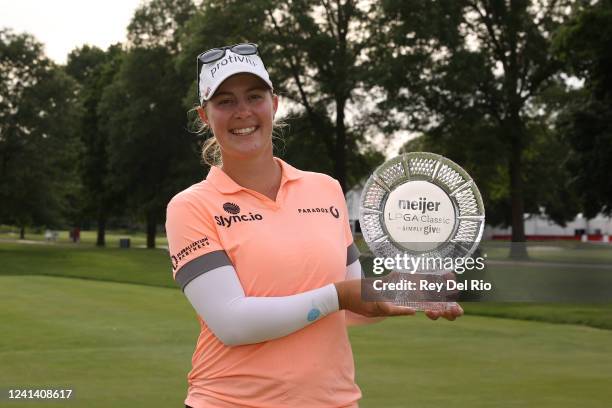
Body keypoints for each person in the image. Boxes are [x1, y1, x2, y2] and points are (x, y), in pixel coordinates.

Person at [165, 42, 463, 408]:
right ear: (205, 116)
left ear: (274, 105)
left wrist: (406, 290)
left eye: (254, 96)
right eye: (225, 101)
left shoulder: (325, 189)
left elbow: (353, 306)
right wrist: (338, 295)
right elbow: (233, 323)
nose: (243, 112)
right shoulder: (191, 206)